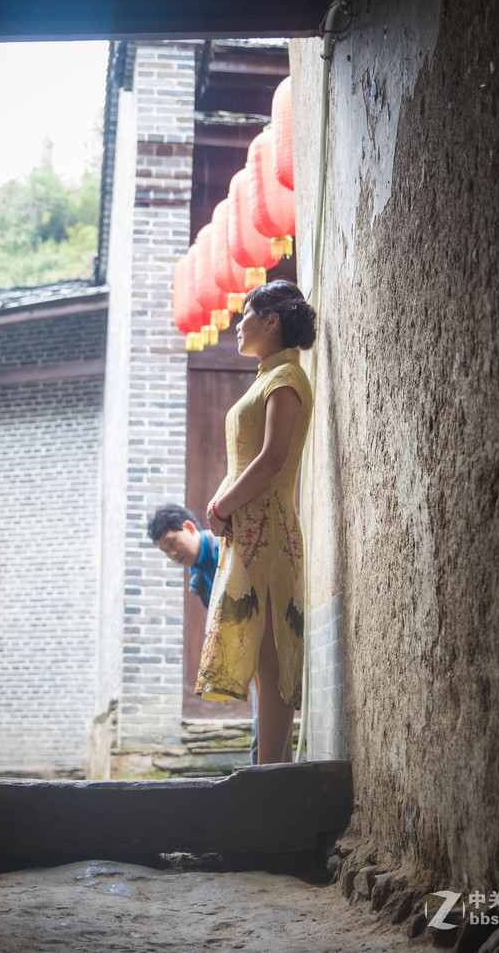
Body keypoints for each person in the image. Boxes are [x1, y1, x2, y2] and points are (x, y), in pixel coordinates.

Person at [198, 279, 316, 765]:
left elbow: (272, 458)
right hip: (252, 534)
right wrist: (223, 504)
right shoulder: (269, 376)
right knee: (264, 661)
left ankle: (271, 780)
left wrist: (222, 506)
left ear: (272, 320)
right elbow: (251, 459)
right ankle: (273, 777)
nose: (237, 323)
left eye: (245, 313)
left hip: (267, 532)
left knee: (271, 662)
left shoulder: (285, 377)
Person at [148, 503, 258, 765]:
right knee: (261, 724)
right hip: (250, 648)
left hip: (269, 636)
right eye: (165, 551)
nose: (172, 554)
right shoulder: (198, 581)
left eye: (172, 543)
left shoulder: (226, 545)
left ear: (189, 527)